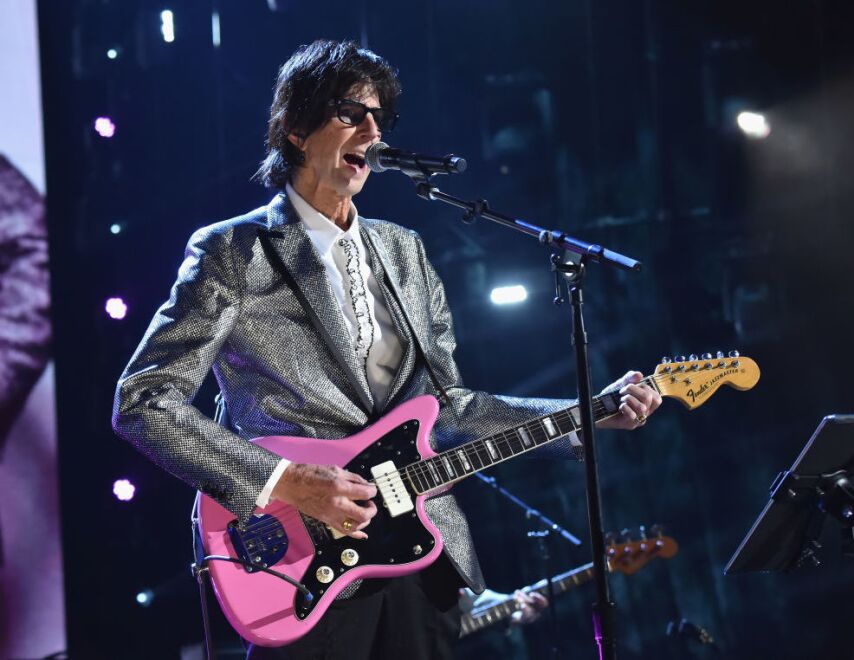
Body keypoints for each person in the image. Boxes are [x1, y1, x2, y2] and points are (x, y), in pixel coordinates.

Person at [112, 39, 661, 659]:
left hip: (422, 556)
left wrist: (588, 412)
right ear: (295, 129)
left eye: (380, 118)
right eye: (350, 113)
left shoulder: (404, 250)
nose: (372, 132)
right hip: (303, 565)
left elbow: (449, 409)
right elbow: (143, 401)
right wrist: (287, 483)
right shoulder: (234, 251)